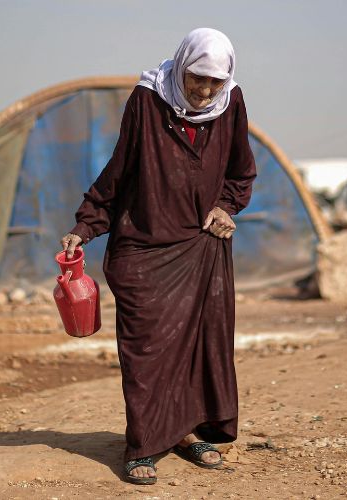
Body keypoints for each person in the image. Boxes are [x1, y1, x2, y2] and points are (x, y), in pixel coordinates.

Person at [59, 27, 255, 485]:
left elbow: (241, 170)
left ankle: (188, 433)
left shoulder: (231, 103)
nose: (204, 91)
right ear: (181, 66)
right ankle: (144, 444)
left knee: (197, 348)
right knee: (146, 351)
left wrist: (226, 207)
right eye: (196, 78)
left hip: (201, 247)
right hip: (143, 247)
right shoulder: (148, 100)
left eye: (215, 81)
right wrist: (86, 225)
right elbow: (120, 168)